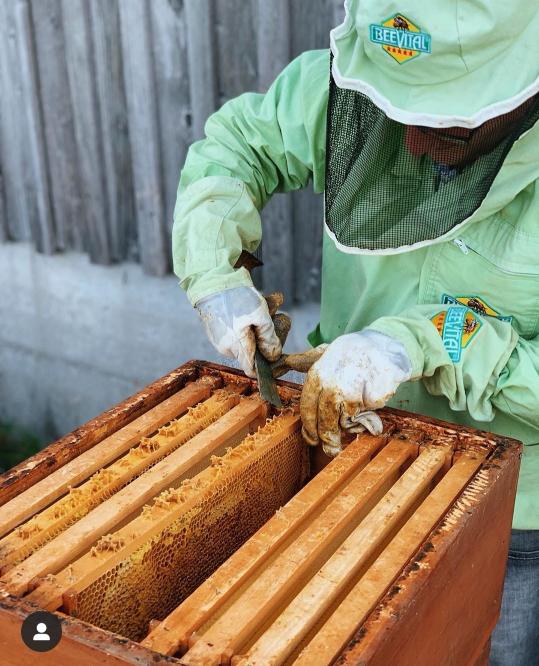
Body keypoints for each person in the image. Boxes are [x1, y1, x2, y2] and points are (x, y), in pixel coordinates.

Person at [172, 2, 539, 663]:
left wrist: (425, 341)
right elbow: (238, 145)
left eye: (447, 123)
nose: (411, 141)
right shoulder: (346, 94)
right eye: (390, 107)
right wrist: (215, 270)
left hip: (508, 512)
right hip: (347, 454)